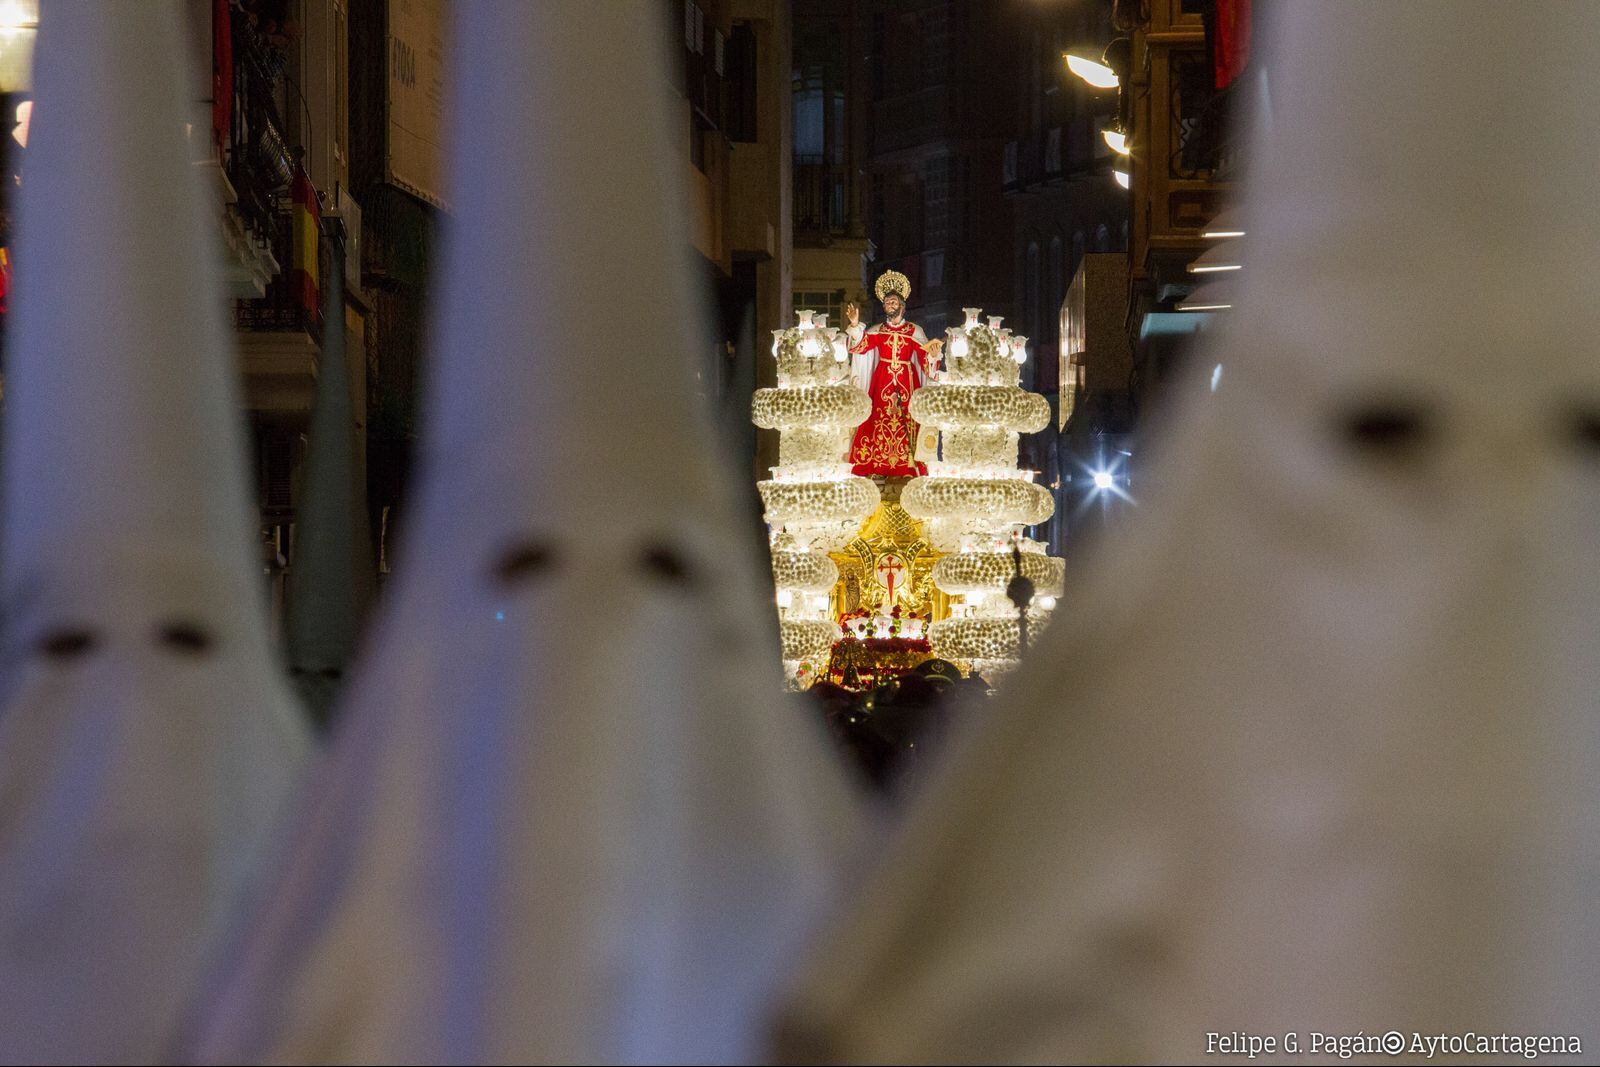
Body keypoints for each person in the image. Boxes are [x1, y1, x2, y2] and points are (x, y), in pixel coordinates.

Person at [843, 270, 941, 477]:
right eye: (887, 303)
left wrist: (932, 355)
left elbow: (925, 358)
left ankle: (907, 465)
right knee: (880, 418)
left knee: (908, 418)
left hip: (907, 379)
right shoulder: (878, 330)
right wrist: (854, 325)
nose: (890, 305)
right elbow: (860, 346)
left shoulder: (914, 331)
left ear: (902, 307)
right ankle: (879, 465)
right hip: (883, 380)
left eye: (894, 302)